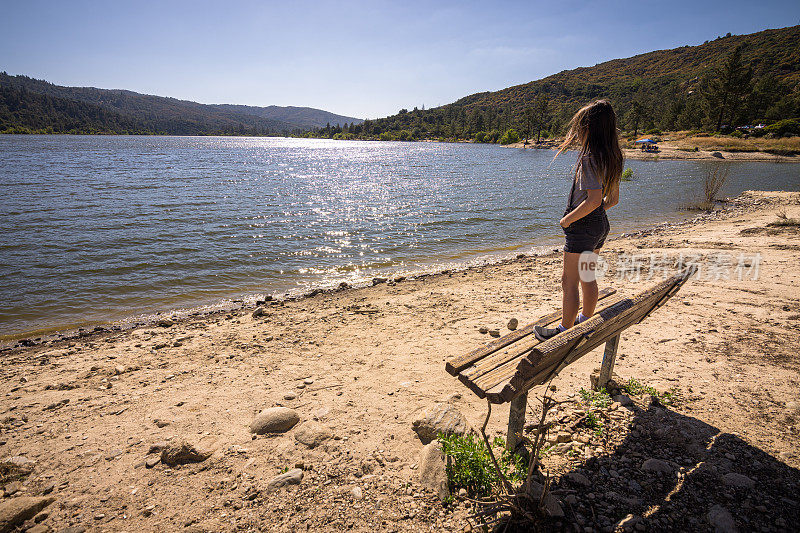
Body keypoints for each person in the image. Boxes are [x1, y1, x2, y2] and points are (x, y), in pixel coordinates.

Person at [534, 100, 623, 341]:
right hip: (600, 224)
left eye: (579, 127)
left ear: (588, 129)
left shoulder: (589, 158)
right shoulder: (614, 156)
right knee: (588, 276)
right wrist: (593, 215)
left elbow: (593, 199)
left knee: (569, 281)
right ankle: (585, 319)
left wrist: (567, 220)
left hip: (582, 226)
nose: (576, 133)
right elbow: (612, 200)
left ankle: (564, 330)